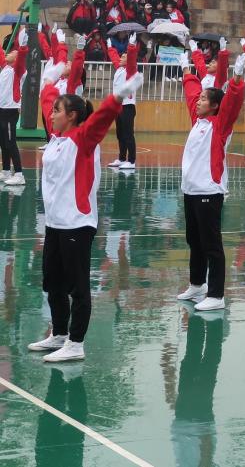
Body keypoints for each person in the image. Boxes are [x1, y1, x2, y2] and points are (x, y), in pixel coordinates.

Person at [28, 61, 142, 362]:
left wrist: (118, 97)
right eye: (53, 110)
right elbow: (47, 98)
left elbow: (101, 119)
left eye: (57, 111)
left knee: (78, 286)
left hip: (77, 224)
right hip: (55, 223)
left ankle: (76, 343)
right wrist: (51, 76)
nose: (51, 114)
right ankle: (59, 334)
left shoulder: (83, 140)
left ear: (72, 116)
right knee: (52, 282)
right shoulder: (57, 138)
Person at [175, 53, 245, 312]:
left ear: (216, 106)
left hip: (208, 191)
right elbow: (191, 93)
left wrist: (237, 79)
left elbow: (232, 104)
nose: (199, 101)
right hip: (191, 190)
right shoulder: (198, 121)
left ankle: (216, 295)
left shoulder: (220, 125)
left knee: (212, 245)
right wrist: (186, 70)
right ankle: (197, 284)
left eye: (205, 99)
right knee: (194, 241)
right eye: (201, 98)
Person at [105, 34, 140, 171]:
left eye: (123, 57)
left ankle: (131, 161)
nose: (120, 58)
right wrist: (109, 47)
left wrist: (131, 46)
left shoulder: (131, 70)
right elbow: (114, 57)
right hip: (118, 107)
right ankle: (121, 158)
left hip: (127, 106)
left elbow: (131, 59)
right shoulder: (119, 68)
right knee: (120, 133)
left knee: (128, 134)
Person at [0, 27, 28, 186]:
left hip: (10, 111)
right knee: (3, 142)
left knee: (10, 142)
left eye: (12, 52)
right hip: (1, 110)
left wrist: (22, 46)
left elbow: (22, 58)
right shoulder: (5, 68)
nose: (8, 53)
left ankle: (19, 174)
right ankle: (5, 170)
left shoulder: (18, 71)